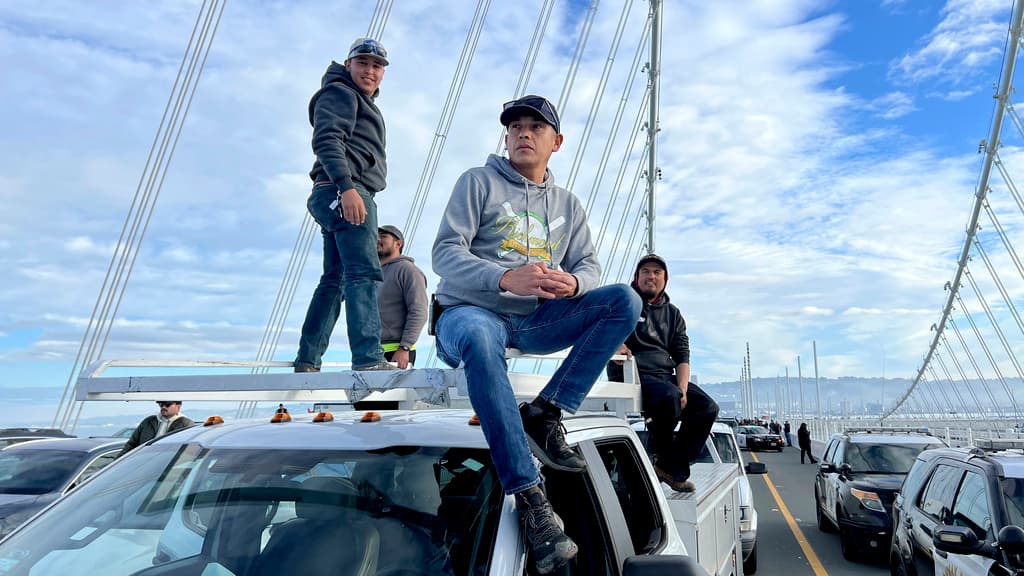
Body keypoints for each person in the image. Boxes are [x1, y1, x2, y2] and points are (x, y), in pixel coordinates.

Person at [432, 94, 641, 574]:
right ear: (505, 138)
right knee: (483, 340)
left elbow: (588, 264)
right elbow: (444, 253)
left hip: (536, 319)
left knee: (624, 301)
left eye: (535, 127)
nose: (523, 133)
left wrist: (576, 283)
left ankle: (546, 412)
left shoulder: (567, 204)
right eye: (515, 127)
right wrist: (504, 278)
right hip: (469, 311)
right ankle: (530, 499)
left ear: (556, 142)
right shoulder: (477, 182)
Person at [294, 37, 394, 373]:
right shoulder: (340, 93)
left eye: (377, 66)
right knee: (363, 272)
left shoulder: (357, 99)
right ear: (348, 65)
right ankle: (368, 359)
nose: (370, 71)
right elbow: (326, 140)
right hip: (346, 192)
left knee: (334, 278)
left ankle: (308, 359)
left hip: (334, 192)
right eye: (363, 63)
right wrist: (348, 188)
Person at [607, 254, 719, 493]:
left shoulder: (673, 313)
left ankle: (670, 466)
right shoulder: (623, 302)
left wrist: (684, 388)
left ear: (665, 279)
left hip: (663, 375)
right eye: (646, 271)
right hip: (631, 372)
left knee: (707, 407)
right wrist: (615, 343)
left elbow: (682, 354)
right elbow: (600, 327)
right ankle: (663, 456)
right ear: (637, 277)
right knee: (669, 396)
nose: (651, 276)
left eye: (657, 272)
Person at [377, 224, 428, 368]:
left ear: (398, 244)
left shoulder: (409, 271)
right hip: (370, 352)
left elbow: (419, 311)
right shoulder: (371, 274)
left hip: (397, 352)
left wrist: (404, 347)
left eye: (383, 236)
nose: (377, 239)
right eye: (375, 236)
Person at [119, 401, 194, 456]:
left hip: (169, 466)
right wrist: (117, 461)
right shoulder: (148, 421)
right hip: (143, 463)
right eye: (161, 404)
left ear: (178, 407)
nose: (163, 407)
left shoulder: (186, 424)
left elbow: (190, 450)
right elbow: (131, 444)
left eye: (167, 405)